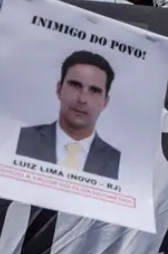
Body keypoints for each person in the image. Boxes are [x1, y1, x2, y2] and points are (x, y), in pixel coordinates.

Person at [16, 50, 121, 180]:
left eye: (94, 90)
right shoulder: (21, 140)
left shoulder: (118, 162)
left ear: (105, 102)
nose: (82, 99)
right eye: (75, 85)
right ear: (59, 90)